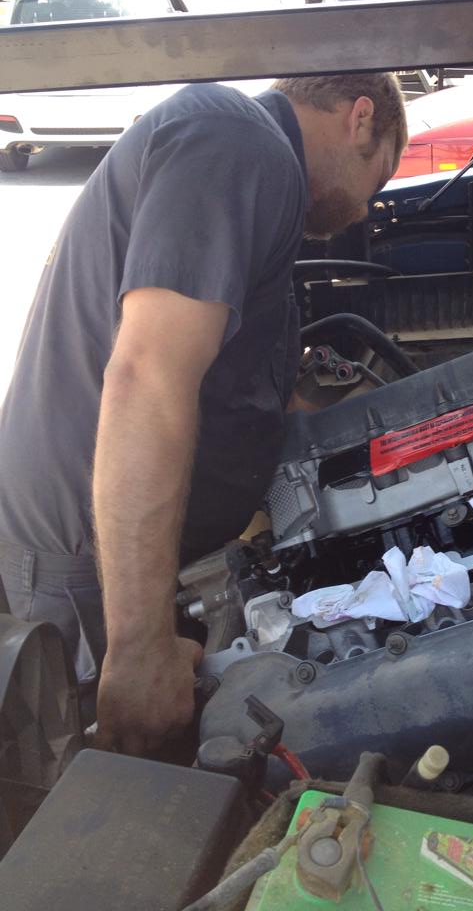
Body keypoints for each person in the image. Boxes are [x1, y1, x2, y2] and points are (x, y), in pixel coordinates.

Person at [0, 73, 407, 756]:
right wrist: (139, 649)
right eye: (381, 174)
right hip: (85, 566)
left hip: (120, 556)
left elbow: (235, 380)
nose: (369, 207)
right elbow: (147, 378)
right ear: (360, 118)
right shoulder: (238, 143)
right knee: (109, 784)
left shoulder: (252, 160)